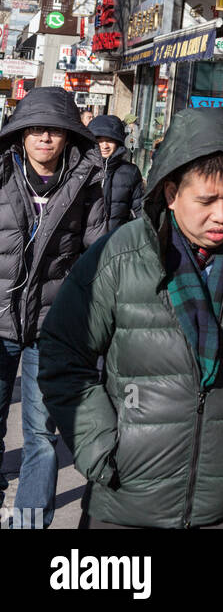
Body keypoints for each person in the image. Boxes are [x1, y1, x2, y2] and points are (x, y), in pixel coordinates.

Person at [38, 106, 223, 529]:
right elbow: (63, 352)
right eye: (206, 200)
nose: (222, 215)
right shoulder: (120, 256)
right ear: (171, 194)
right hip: (125, 504)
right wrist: (99, 445)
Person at [0, 87, 106, 527]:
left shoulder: (88, 184)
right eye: (36, 130)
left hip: (51, 327)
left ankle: (30, 522)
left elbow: (98, 256)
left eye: (55, 131)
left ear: (68, 137)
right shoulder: (3, 175)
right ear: (21, 135)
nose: (45, 138)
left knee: (41, 435)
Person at [88, 114, 143, 233]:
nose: (104, 146)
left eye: (109, 140)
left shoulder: (130, 172)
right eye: (99, 141)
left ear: (118, 142)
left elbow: (139, 211)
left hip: (117, 241)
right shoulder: (82, 169)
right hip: (82, 246)